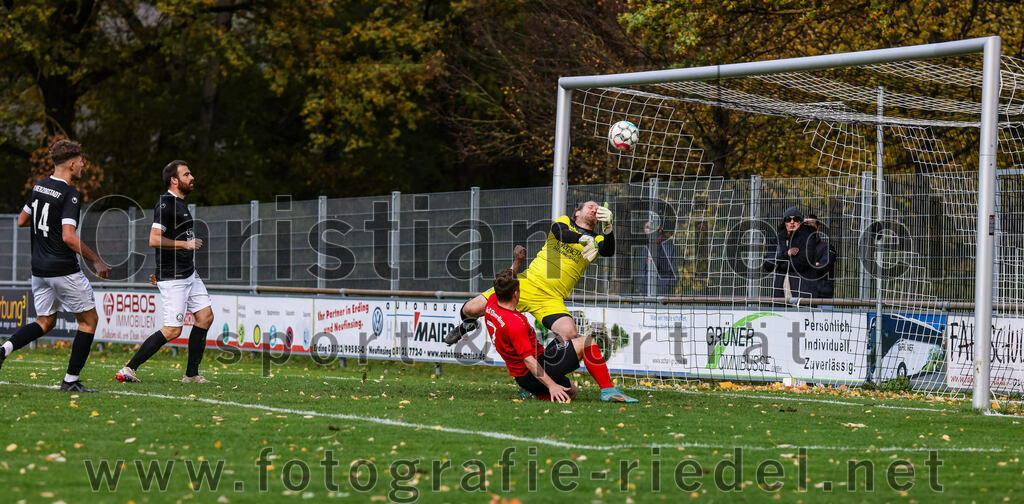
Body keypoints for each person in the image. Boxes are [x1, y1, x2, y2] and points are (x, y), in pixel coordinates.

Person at [0, 139, 110, 392]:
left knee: (45, 321)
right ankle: (70, 381)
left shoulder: (39, 186)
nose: (83, 165)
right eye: (81, 161)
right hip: (62, 268)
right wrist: (95, 260)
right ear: (71, 164)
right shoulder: (70, 194)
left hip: (39, 269)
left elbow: (21, 221)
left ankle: (3, 350)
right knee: (89, 321)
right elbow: (69, 237)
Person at [445, 200, 614, 345]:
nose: (595, 209)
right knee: (470, 309)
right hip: (525, 284)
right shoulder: (565, 222)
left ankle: (542, 366)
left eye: (597, 209)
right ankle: (466, 325)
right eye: (590, 206)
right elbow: (560, 233)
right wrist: (581, 239)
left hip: (551, 299)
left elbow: (608, 250)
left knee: (569, 334)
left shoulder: (597, 239)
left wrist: (608, 228)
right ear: (577, 212)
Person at [485, 246, 637, 403]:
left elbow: (506, 282)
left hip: (524, 375)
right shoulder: (515, 323)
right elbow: (528, 360)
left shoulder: (492, 303)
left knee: (571, 391)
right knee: (587, 342)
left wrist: (517, 261)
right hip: (532, 371)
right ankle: (608, 391)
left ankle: (534, 393)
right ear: (516, 294)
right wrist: (551, 386)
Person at [116, 160, 214, 383]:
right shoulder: (166, 203)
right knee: (172, 330)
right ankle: (129, 368)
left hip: (188, 273)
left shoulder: (180, 203)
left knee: (205, 317)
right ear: (174, 180)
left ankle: (191, 375)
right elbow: (154, 239)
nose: (192, 177)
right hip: (174, 277)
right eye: (186, 174)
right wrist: (184, 245)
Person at [764, 206, 819, 301]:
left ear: (801, 222)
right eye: (788, 219)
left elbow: (803, 263)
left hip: (803, 292)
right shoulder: (778, 239)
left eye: (796, 219)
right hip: (780, 292)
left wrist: (779, 264)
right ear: (784, 222)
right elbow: (767, 264)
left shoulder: (808, 237)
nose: (792, 222)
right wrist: (786, 254)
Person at [637, 217, 678, 296]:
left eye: (651, 227)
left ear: (659, 229)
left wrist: (667, 289)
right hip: (646, 292)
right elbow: (641, 270)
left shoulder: (667, 245)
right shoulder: (646, 247)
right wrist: (641, 289)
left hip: (663, 293)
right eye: (647, 227)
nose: (649, 230)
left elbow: (674, 270)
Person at [803, 214, 836, 299]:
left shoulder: (827, 247)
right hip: (802, 296)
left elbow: (824, 267)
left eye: (810, 225)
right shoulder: (798, 248)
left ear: (817, 228)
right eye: (805, 225)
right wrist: (814, 264)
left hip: (822, 297)